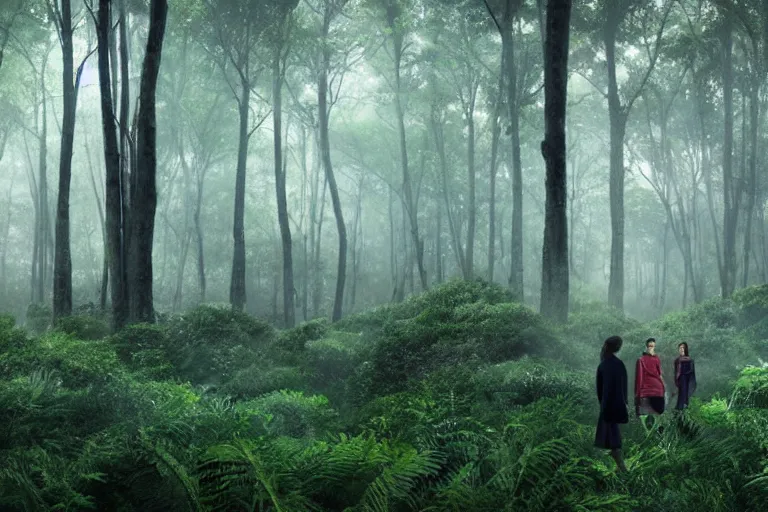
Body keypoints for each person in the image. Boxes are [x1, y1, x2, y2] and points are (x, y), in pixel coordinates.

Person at [595, 335, 629, 473]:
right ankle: (618, 463)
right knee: (613, 431)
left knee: (611, 431)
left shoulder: (602, 365)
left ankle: (619, 463)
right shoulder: (619, 364)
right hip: (618, 403)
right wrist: (624, 402)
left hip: (606, 404)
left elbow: (599, 389)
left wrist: (602, 403)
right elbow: (624, 386)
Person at [634, 337, 665, 429]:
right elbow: (660, 376)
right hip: (658, 391)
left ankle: (650, 435)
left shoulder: (641, 360)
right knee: (657, 415)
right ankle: (658, 433)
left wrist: (637, 396)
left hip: (647, 392)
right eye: (651, 346)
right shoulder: (655, 359)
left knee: (645, 417)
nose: (651, 348)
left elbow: (639, 379)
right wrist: (663, 389)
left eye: (652, 346)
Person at [671, 342, 696, 410]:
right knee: (679, 398)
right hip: (679, 382)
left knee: (684, 399)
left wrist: (683, 375)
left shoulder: (690, 360)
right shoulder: (677, 361)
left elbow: (691, 372)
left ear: (686, 349)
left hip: (686, 381)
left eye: (683, 348)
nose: (681, 349)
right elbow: (675, 372)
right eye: (680, 348)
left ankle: (684, 409)